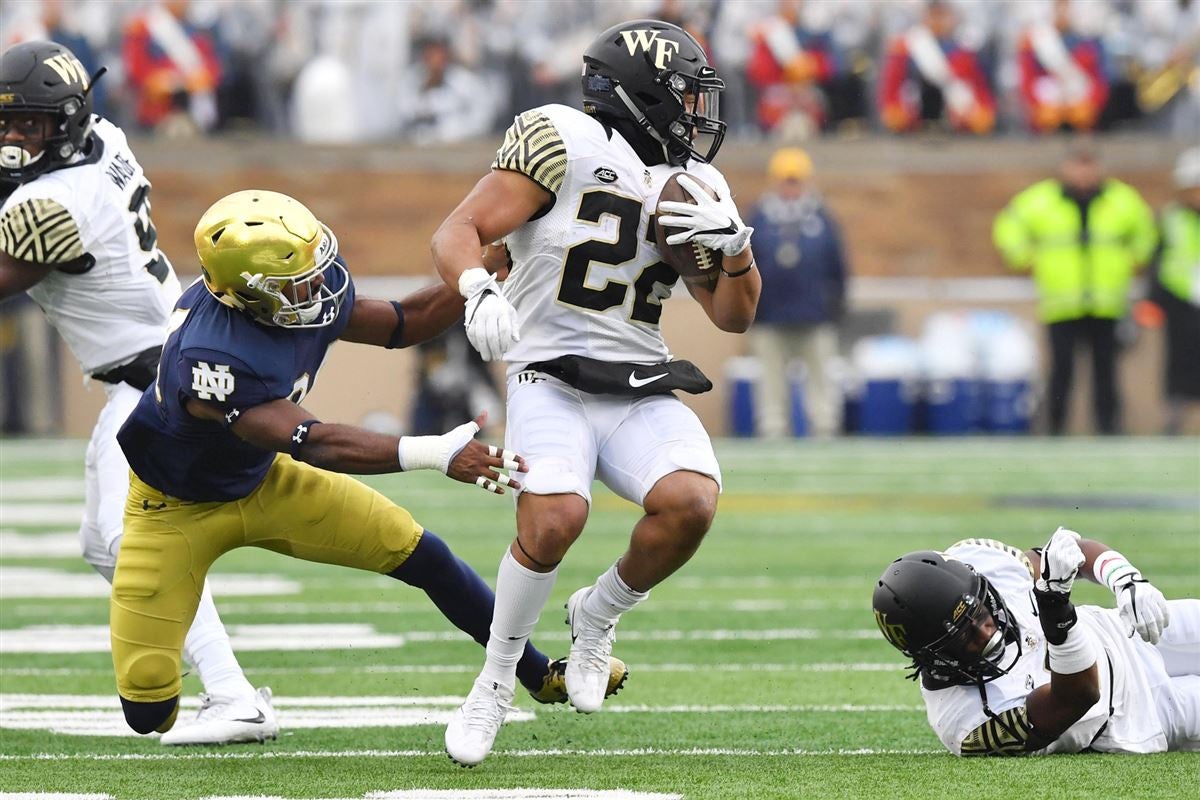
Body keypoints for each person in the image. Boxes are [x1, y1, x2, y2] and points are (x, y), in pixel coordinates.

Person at [110, 187, 626, 740]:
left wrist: (486, 270)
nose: (316, 286)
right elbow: (312, 442)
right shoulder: (211, 357)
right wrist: (434, 452)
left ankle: (536, 673)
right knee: (148, 710)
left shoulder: (295, 296)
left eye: (313, 266)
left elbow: (404, 322)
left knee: (423, 554)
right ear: (248, 296)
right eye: (296, 283)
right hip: (173, 507)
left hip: (261, 480)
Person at [432, 18, 761, 766]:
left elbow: (734, 315)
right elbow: (459, 228)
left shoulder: (698, 183)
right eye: (682, 95)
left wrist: (738, 248)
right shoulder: (561, 138)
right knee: (553, 523)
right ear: (638, 91)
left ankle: (598, 614)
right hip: (549, 374)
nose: (697, 113)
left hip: (639, 381)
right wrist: (478, 286)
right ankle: (493, 682)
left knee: (692, 503)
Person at [0, 40, 273, 746]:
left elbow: (10, 267)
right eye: (4, 122)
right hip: (158, 368)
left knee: (129, 540)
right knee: (105, 541)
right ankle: (231, 689)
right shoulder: (106, 139)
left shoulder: (57, 203)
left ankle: (233, 693)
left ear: (62, 122)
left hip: (154, 384)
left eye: (27, 124)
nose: (11, 136)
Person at [873, 528, 1197, 755]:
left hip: (1121, 632)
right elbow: (1077, 696)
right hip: (1135, 715)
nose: (987, 633)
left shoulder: (979, 559)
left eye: (980, 614)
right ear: (934, 656)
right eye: (964, 637)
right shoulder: (963, 723)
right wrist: (1056, 610)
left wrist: (1125, 580)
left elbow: (1070, 553)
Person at [992, 141, 1157, 435]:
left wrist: (1134, 259)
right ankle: (1056, 428)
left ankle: (1108, 429)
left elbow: (1145, 231)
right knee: (1061, 370)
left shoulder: (1120, 199)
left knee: (1105, 371)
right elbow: (1008, 226)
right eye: (1077, 165)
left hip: (1107, 302)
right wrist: (1022, 258)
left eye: (1088, 165)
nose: (1083, 173)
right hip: (1061, 302)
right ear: (1065, 168)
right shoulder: (1041, 199)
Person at [745, 146, 848, 438]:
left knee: (821, 379)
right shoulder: (759, 218)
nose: (791, 187)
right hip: (770, 314)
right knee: (770, 381)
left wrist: (834, 306)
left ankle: (825, 427)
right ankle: (772, 429)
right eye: (786, 180)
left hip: (814, 314)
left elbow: (837, 266)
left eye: (796, 180)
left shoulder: (822, 218)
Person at [1144, 147, 1200, 435]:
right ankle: (1173, 418)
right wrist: (1152, 301)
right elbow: (1157, 259)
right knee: (1178, 359)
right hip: (1179, 298)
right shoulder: (1171, 218)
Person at [877, 0, 995, 135]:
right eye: (933, 15)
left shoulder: (964, 47)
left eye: (942, 16)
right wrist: (894, 112)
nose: (938, 21)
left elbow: (977, 84)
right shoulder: (908, 45)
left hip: (954, 110)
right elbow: (892, 83)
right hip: (916, 109)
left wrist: (982, 112)